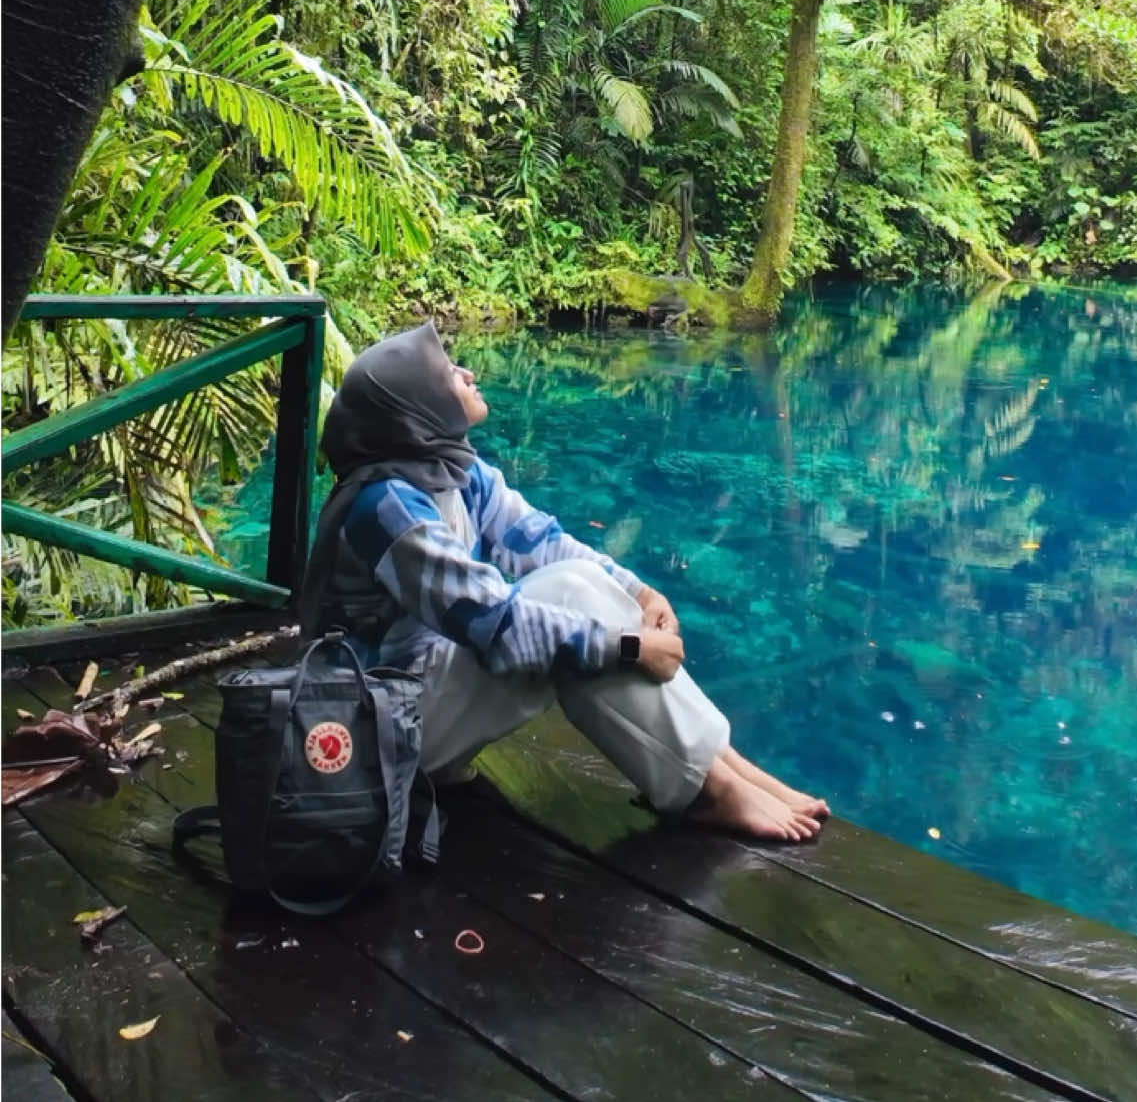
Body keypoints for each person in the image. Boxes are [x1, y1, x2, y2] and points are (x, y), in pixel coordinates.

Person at [300, 322, 829, 841]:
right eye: (449, 373)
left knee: (578, 583)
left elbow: (541, 541)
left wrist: (641, 593)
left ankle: (721, 764)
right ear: (415, 406)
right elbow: (495, 624)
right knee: (574, 602)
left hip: (426, 700)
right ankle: (707, 791)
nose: (467, 373)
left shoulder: (453, 472)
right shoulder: (387, 507)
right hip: (376, 737)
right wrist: (627, 646)